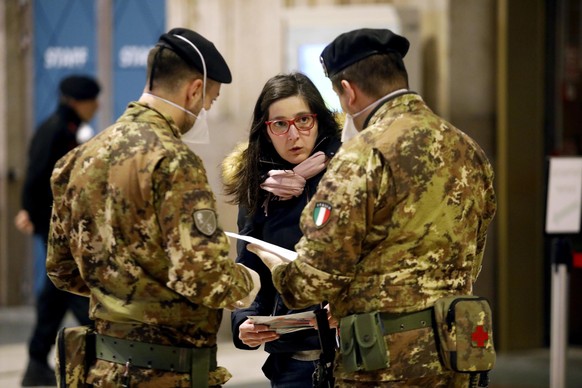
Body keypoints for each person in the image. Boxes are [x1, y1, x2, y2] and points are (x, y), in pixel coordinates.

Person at [247, 28, 497, 387]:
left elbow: (311, 281)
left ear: (348, 91)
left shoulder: (361, 156)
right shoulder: (468, 151)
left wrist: (279, 269)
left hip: (387, 364)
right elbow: (472, 258)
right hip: (460, 355)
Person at [45, 27, 260, 388]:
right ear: (193, 90)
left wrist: (123, 287)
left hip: (101, 369)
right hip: (165, 371)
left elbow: (62, 269)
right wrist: (247, 283)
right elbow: (203, 275)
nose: (205, 109)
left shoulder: (77, 161)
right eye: (209, 100)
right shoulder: (174, 161)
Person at [221, 72, 341, 387]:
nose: (294, 135)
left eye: (303, 120)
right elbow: (249, 266)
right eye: (280, 124)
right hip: (291, 361)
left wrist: (350, 302)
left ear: (320, 120)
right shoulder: (258, 190)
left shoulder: (347, 175)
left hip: (354, 351)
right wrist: (244, 322)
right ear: (266, 130)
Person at [14, 74, 100, 387]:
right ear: (78, 102)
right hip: (56, 225)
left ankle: (37, 361)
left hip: (61, 225)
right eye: (93, 100)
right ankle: (104, 346)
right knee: (69, 287)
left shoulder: (69, 128)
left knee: (59, 290)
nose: (97, 105)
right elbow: (37, 176)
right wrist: (31, 212)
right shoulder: (56, 130)